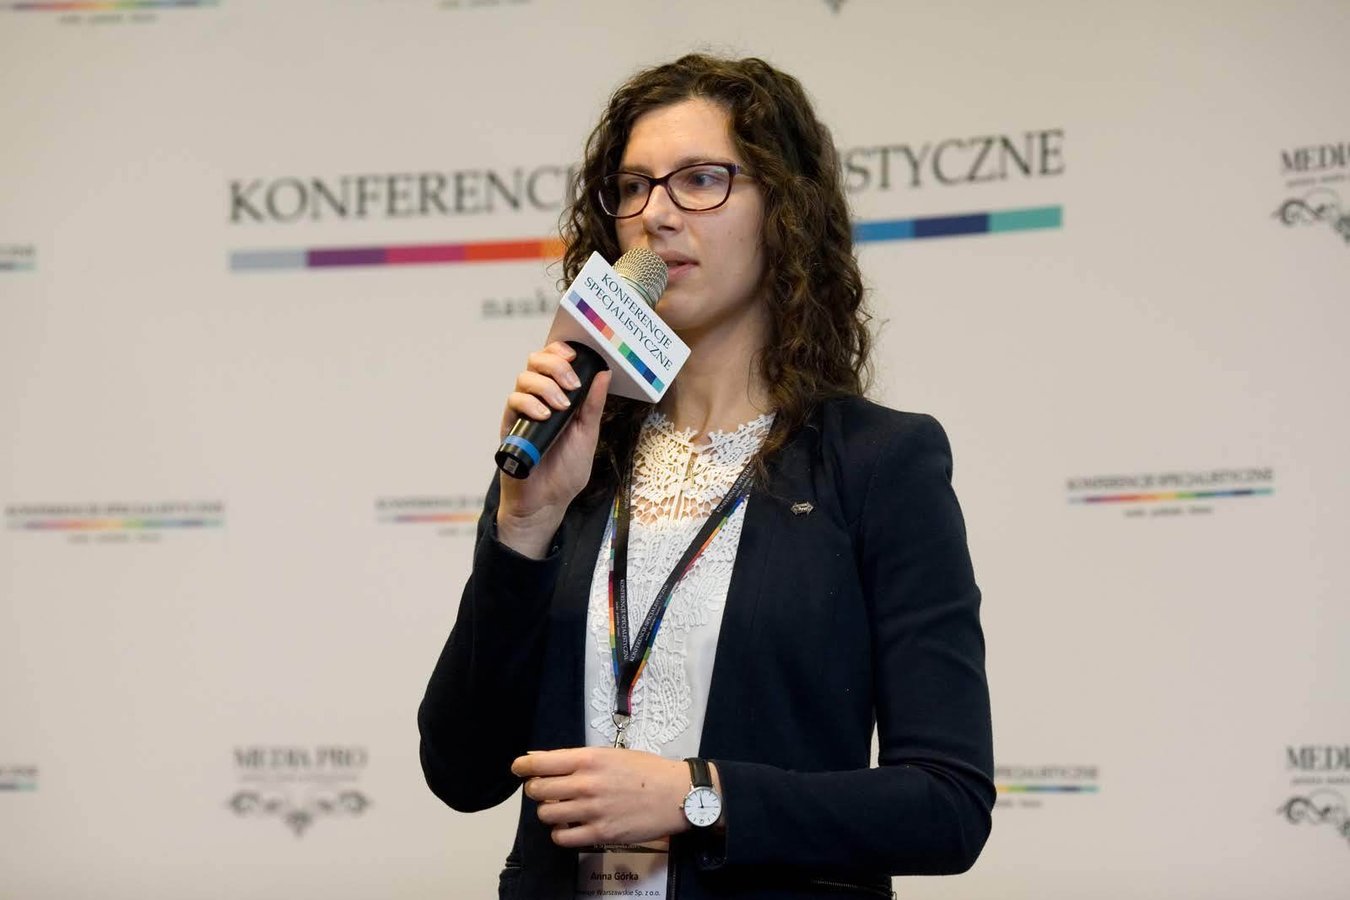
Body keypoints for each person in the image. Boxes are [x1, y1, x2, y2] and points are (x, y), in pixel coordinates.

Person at [418, 54, 993, 899]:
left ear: (785, 209)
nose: (657, 214)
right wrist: (524, 525)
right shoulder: (571, 452)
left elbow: (947, 807)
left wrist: (700, 797)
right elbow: (461, 771)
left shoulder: (877, 462)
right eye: (633, 187)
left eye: (700, 180)